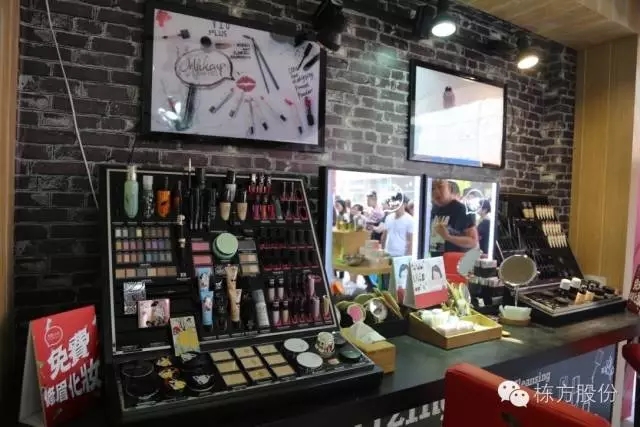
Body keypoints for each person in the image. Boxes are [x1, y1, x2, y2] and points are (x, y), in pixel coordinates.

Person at [430, 179, 478, 257]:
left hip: (456, 261)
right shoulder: (433, 209)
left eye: (440, 186)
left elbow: (473, 241)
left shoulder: (461, 209)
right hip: (436, 260)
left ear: (449, 188)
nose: (436, 192)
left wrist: (448, 237)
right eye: (432, 188)